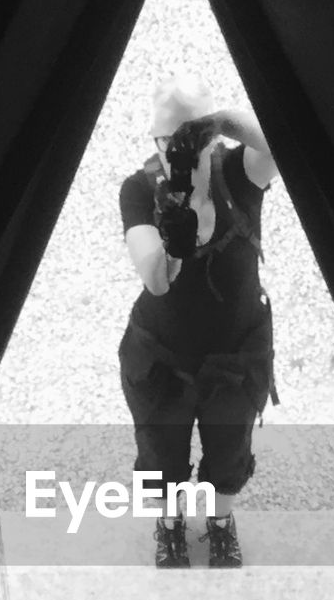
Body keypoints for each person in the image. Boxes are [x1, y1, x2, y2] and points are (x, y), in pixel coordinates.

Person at [118, 74, 279, 568]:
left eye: (192, 137)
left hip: (237, 348)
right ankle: (169, 525)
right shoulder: (141, 189)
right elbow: (156, 280)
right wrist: (174, 241)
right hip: (162, 351)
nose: (178, 150)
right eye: (169, 140)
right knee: (161, 448)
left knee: (229, 447)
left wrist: (221, 121)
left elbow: (283, 143)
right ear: (154, 140)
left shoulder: (240, 173)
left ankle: (219, 520)